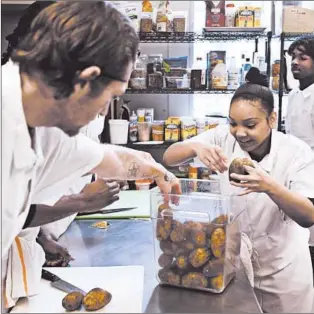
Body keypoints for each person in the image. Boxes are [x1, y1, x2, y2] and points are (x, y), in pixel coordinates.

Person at [2, 1, 181, 309]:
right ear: (86, 78)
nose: (103, 111)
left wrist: (156, 171)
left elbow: (105, 158)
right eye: (111, 96)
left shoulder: (41, 122)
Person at [163, 68, 314, 313]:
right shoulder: (224, 138)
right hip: (235, 268)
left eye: (250, 125)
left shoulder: (296, 152)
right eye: (233, 123)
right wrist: (194, 148)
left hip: (284, 274)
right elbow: (170, 158)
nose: (240, 133)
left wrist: (270, 186)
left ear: (272, 120)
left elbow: (309, 215)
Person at [285, 37, 314, 259]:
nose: (295, 62)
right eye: (293, 57)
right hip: (295, 171)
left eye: (303, 57)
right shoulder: (294, 94)